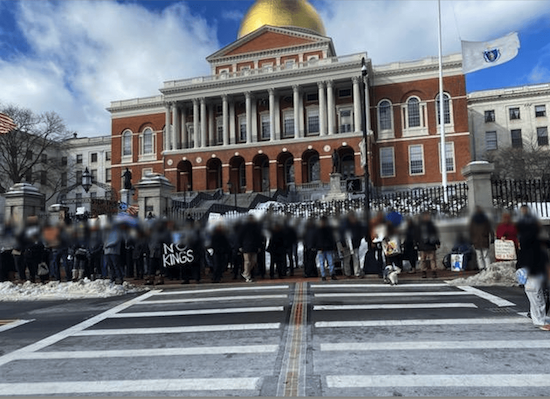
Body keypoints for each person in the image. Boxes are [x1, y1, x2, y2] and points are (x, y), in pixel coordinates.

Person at [516, 205, 550, 330]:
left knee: (536, 295)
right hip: (532, 269)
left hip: (533, 268)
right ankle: (539, 320)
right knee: (536, 295)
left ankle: (538, 318)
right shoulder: (530, 238)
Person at [414, 211, 440, 278]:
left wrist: (437, 242)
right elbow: (416, 235)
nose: (427, 217)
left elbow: (435, 235)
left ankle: (433, 272)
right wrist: (416, 244)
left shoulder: (430, 225)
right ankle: (423, 272)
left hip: (430, 244)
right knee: (423, 260)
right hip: (423, 245)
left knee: (432, 259)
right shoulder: (419, 225)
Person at [238, 215, 263, 283]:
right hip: (246, 246)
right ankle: (247, 275)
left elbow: (258, 237)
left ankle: (246, 273)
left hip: (251, 246)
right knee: (248, 261)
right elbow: (240, 237)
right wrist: (240, 246)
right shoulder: (245, 227)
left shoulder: (255, 227)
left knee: (253, 261)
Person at [469, 206, 493, 271]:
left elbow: (471, 230)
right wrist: (492, 237)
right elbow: (490, 229)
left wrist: (470, 239)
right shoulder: (485, 219)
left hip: (476, 240)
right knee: (486, 255)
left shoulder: (473, 220)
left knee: (479, 255)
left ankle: (481, 268)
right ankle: (488, 267)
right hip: (484, 239)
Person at [316, 216, 337, 281]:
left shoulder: (319, 230)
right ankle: (328, 275)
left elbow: (317, 240)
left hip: (325, 248)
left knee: (326, 262)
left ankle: (326, 275)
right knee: (328, 262)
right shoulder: (328, 229)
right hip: (326, 248)